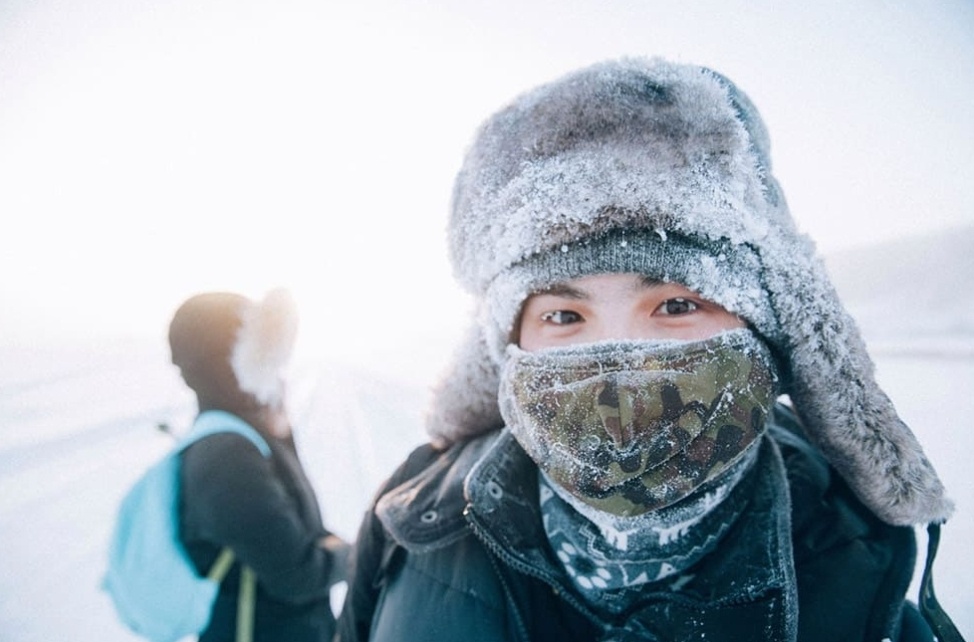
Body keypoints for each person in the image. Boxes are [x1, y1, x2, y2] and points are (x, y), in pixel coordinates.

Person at [336, 58, 959, 641]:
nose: (619, 357)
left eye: (677, 305)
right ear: (506, 348)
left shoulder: (860, 586)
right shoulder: (410, 519)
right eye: (563, 314)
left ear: (769, 331)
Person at [169, 288, 350, 642]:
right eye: (263, 352)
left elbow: (302, 528)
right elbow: (297, 575)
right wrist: (354, 553)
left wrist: (278, 428)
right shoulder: (226, 455)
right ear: (229, 360)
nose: (277, 370)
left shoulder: (245, 434)